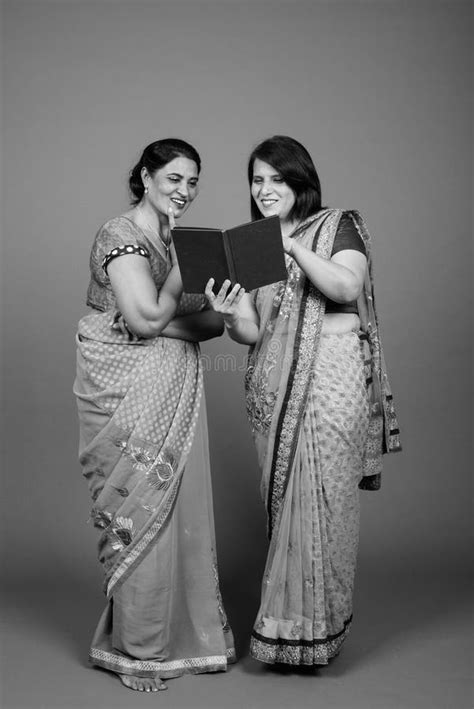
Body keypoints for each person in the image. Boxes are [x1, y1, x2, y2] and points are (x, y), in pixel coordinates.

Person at [205, 135, 401, 667]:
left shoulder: (338, 224)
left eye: (277, 179)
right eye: (257, 180)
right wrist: (228, 312)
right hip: (275, 388)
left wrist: (290, 245)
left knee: (328, 506)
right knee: (289, 510)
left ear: (301, 181)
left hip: (333, 382)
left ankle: (323, 630)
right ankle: (287, 633)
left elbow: (344, 287)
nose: (265, 190)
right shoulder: (249, 242)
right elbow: (250, 330)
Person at [73, 138, 235, 692]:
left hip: (171, 391)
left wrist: (154, 318)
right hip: (123, 394)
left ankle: (174, 638)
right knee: (139, 510)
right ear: (145, 176)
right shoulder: (121, 236)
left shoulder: (178, 242)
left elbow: (209, 326)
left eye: (193, 182)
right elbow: (143, 321)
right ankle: (139, 650)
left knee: (170, 512)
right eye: (174, 179)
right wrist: (165, 298)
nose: (184, 191)